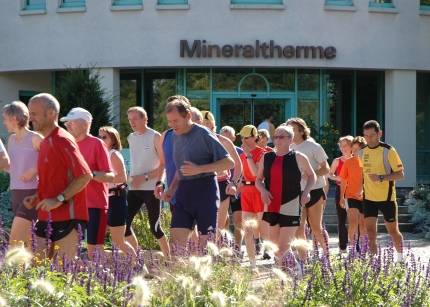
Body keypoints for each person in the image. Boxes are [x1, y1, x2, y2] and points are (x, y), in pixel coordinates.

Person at [23, 93, 92, 260]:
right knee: (35, 269)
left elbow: (85, 175)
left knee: (63, 273)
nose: (30, 118)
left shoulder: (62, 139)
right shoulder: (46, 141)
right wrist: (37, 197)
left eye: (34, 113)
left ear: (51, 113)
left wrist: (59, 199)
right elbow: (54, 178)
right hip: (45, 216)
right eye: (29, 113)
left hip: (69, 216)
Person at [160, 96, 234, 248]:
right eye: (169, 121)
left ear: (188, 116)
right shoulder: (175, 136)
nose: (172, 125)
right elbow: (181, 169)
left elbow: (229, 162)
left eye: (175, 121)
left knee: (206, 249)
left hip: (205, 194)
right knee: (176, 248)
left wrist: (200, 169)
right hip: (183, 195)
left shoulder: (204, 134)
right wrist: (171, 189)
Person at [256, 125, 316, 269]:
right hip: (271, 204)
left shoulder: (298, 157)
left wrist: (306, 191)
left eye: (281, 137)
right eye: (275, 137)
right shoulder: (267, 156)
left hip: (291, 204)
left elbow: (312, 176)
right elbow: (258, 179)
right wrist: (263, 191)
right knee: (277, 249)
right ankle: (295, 272)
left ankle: (290, 278)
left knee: (283, 248)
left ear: (291, 139)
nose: (277, 140)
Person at [60, 108, 114, 260]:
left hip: (95, 204)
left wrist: (90, 174)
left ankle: (106, 281)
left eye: (72, 122)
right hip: (72, 204)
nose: (68, 126)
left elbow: (110, 176)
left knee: (94, 251)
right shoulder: (67, 145)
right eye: (67, 123)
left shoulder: (97, 144)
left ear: (85, 124)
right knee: (68, 249)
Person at [127, 106, 170, 259]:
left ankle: (169, 260)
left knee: (155, 228)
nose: (132, 122)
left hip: (151, 189)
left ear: (145, 119)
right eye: (130, 119)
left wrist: (144, 177)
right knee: (123, 226)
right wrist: (130, 175)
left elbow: (163, 165)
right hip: (134, 189)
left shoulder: (155, 136)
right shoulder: (130, 137)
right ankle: (137, 258)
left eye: (135, 119)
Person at [358, 120, 404, 261]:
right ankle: (374, 264)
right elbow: (363, 173)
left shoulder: (388, 150)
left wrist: (382, 177)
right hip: (369, 198)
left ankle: (400, 258)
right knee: (370, 233)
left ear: (379, 134)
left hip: (387, 198)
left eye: (372, 135)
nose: (369, 139)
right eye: (366, 136)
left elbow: (401, 174)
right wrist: (360, 188)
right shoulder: (361, 152)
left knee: (393, 232)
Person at [286, 118, 330, 256]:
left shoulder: (313, 146)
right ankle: (304, 262)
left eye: (293, 130)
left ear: (302, 130)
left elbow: (326, 169)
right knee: (299, 229)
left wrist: (312, 174)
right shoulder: (288, 148)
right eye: (288, 130)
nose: (290, 133)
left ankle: (327, 255)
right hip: (295, 192)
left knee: (316, 228)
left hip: (314, 191)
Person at [2, 101, 43, 247]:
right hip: (16, 193)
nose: (4, 122)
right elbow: (12, 167)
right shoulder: (12, 140)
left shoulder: (36, 138)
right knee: (31, 241)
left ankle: (10, 269)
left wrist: (34, 169)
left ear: (14, 118)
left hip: (32, 194)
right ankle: (40, 268)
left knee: (15, 240)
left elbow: (53, 162)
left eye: (5, 118)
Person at [201, 111, 242, 235]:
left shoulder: (223, 141)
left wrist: (234, 183)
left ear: (210, 125)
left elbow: (238, 164)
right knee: (199, 226)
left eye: (200, 124)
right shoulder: (193, 141)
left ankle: (215, 252)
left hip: (221, 184)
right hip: (200, 184)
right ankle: (199, 253)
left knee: (217, 226)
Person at [99, 126, 137, 259]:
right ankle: (99, 270)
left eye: (105, 137)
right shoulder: (102, 154)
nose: (101, 140)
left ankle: (138, 265)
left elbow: (122, 177)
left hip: (116, 200)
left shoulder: (113, 154)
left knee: (119, 241)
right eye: (100, 137)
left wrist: (101, 178)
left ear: (113, 140)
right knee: (97, 241)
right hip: (104, 200)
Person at [237, 124, 269, 269]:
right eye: (242, 137)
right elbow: (242, 175)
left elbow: (256, 173)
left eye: (246, 137)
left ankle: (276, 254)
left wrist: (248, 155)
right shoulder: (242, 155)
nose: (243, 140)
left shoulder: (262, 153)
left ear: (254, 137)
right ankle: (252, 263)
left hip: (258, 190)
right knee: (247, 230)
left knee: (264, 229)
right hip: (246, 192)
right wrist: (236, 188)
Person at [339, 136, 367, 248]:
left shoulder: (368, 162)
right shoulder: (348, 162)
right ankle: (352, 247)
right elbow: (343, 180)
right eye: (353, 148)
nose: (355, 151)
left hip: (366, 196)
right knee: (353, 221)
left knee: (363, 224)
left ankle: (365, 247)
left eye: (358, 148)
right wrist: (342, 196)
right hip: (351, 195)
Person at [328, 135, 353, 253]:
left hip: (354, 190)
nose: (343, 148)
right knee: (341, 219)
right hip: (340, 190)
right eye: (341, 146)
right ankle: (343, 246)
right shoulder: (337, 161)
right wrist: (339, 177)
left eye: (346, 146)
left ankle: (356, 245)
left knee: (355, 219)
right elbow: (330, 174)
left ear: (351, 147)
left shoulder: (357, 160)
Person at [219, 125, 244, 246]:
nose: (225, 141)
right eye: (222, 137)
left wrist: (237, 186)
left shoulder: (240, 152)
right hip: (222, 188)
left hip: (237, 190)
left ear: (233, 139)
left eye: (228, 138)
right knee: (224, 220)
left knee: (239, 221)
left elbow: (244, 172)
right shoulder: (215, 149)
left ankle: (238, 248)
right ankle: (224, 246)